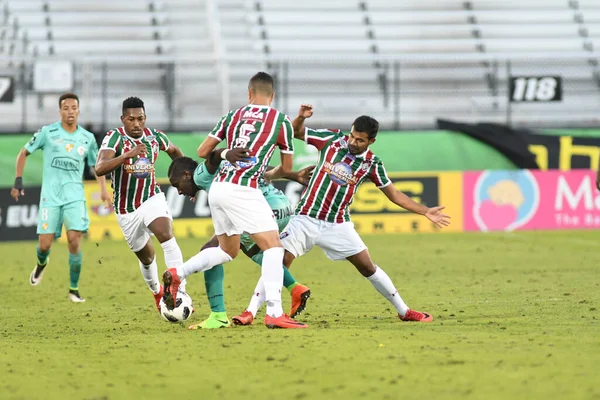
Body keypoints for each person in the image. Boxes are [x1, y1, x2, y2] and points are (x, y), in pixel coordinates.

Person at [233, 104, 451, 324]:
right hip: (306, 218)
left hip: (338, 224)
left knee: (367, 266)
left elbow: (394, 195)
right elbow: (297, 132)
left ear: (371, 141)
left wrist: (425, 211)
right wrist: (300, 117)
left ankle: (404, 311)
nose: (353, 143)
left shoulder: (372, 164)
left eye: (360, 140)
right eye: (352, 136)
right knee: (277, 260)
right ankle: (250, 311)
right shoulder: (332, 140)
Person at [162, 71, 308, 329]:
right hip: (246, 189)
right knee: (273, 248)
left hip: (219, 188)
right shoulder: (280, 120)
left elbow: (202, 151)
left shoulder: (234, 115)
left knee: (226, 250)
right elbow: (286, 167)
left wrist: (228, 151)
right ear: (272, 96)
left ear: (249, 93)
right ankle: (274, 312)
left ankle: (178, 273)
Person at [167, 154, 314, 329]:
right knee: (255, 249)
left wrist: (225, 151)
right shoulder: (228, 168)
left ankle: (217, 314)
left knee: (213, 248)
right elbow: (261, 169)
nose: (179, 191)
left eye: (177, 185)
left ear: (186, 175)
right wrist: (293, 175)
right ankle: (294, 289)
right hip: (282, 206)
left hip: (265, 205)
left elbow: (211, 157)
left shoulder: (201, 173)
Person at [11, 92, 111, 302]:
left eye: (73, 107)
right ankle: (41, 264)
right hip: (51, 197)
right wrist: (18, 181)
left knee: (74, 240)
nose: (70, 112)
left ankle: (73, 289)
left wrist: (103, 189)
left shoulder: (88, 138)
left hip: (75, 196)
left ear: (78, 110)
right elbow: (23, 153)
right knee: (44, 245)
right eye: (66, 108)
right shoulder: (48, 133)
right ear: (60, 111)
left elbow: (97, 166)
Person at [95, 96, 187, 311]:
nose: (137, 124)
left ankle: (178, 288)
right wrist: (127, 154)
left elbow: (174, 151)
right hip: (126, 209)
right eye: (131, 119)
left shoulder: (155, 137)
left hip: (151, 197)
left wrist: (185, 178)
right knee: (147, 257)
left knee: (165, 233)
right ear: (123, 119)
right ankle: (157, 293)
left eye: (141, 119)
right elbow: (99, 168)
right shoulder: (114, 138)